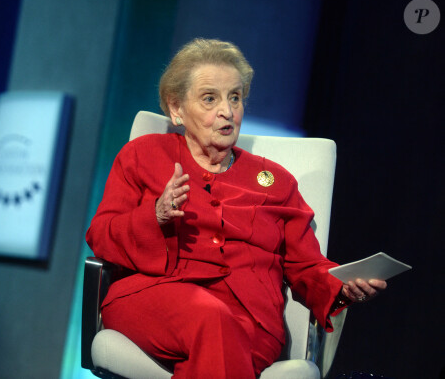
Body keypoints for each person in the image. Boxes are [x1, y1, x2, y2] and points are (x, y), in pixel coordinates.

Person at [86, 38, 386, 378]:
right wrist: (154, 214)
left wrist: (340, 287)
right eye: (210, 98)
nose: (227, 111)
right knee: (210, 318)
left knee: (216, 341)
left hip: (251, 322)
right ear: (176, 108)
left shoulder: (278, 182)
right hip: (152, 300)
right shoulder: (143, 155)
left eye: (235, 97)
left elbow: (306, 266)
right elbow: (101, 236)